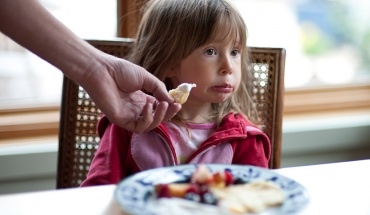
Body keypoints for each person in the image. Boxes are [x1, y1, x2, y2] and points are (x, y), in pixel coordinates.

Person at [81, 0, 271, 187]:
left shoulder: (246, 140)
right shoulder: (129, 124)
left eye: (235, 52)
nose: (228, 67)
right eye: (211, 51)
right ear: (170, 62)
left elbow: (258, 199)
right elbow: (99, 191)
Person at [0, 0, 180, 133]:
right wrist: (95, 69)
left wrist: (95, 69)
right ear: (171, 63)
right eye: (208, 52)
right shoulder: (129, 131)